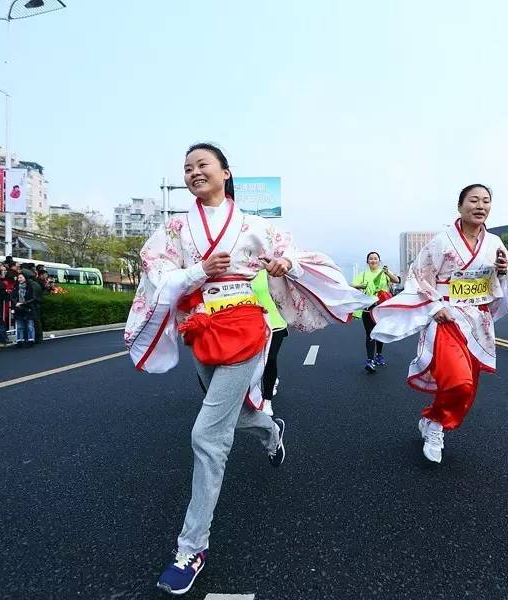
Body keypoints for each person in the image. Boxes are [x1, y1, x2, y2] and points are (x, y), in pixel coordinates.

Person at [124, 143, 372, 595]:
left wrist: (284, 263)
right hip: (201, 328)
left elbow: (296, 256)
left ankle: (191, 547)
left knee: (207, 435)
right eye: (187, 168)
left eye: (202, 165)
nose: (194, 172)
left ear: (225, 172)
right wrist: (197, 272)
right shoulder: (175, 229)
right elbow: (155, 272)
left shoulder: (255, 225)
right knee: (234, 415)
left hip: (244, 327)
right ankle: (271, 430)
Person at [372, 183, 508, 464]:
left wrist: (502, 271)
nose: (480, 206)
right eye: (473, 200)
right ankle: (436, 426)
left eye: (486, 201)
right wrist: (436, 306)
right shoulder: (441, 241)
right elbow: (418, 275)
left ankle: (432, 419)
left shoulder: (495, 243)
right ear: (460, 206)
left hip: (478, 322)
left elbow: (504, 277)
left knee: (468, 389)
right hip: (447, 317)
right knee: (459, 382)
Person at [352, 252, 401, 372]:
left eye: (375, 258)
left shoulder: (384, 273)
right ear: (367, 261)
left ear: (379, 261)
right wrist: (362, 286)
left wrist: (387, 272)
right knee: (370, 333)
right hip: (368, 308)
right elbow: (352, 284)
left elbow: (397, 281)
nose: (373, 260)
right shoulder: (363, 274)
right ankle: (370, 360)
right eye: (371, 259)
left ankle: (379, 355)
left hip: (382, 307)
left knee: (379, 332)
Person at [251, 269, 287, 417]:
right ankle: (260, 389)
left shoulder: (270, 270)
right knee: (254, 361)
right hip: (251, 324)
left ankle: (267, 400)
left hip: (275, 321)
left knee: (270, 359)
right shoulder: (241, 272)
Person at [12, 272, 38, 347]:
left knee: (30, 325)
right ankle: (19, 341)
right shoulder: (16, 287)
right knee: (19, 326)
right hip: (18, 308)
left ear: (25, 278)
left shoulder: (30, 287)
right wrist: (16, 303)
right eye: (18, 278)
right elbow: (13, 297)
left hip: (28, 308)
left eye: (21, 277)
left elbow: (34, 298)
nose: (19, 279)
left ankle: (30, 340)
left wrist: (24, 303)